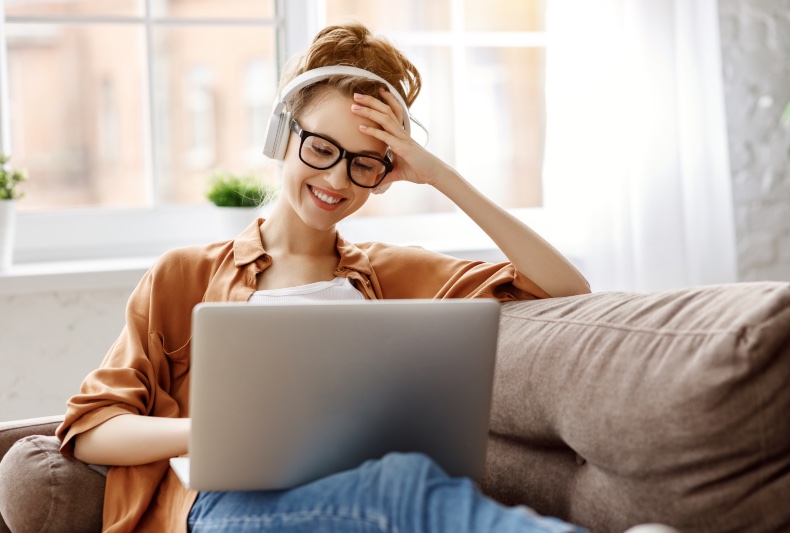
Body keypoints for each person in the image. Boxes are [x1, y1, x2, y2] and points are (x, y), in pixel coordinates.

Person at [56, 22, 592, 532]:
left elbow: (565, 288)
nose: (338, 179)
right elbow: (92, 429)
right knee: (403, 486)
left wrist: (440, 176)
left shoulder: (391, 272)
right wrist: (210, 435)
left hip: (357, 494)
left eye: (364, 163)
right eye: (321, 148)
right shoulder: (184, 275)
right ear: (280, 135)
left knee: (404, 483)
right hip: (224, 508)